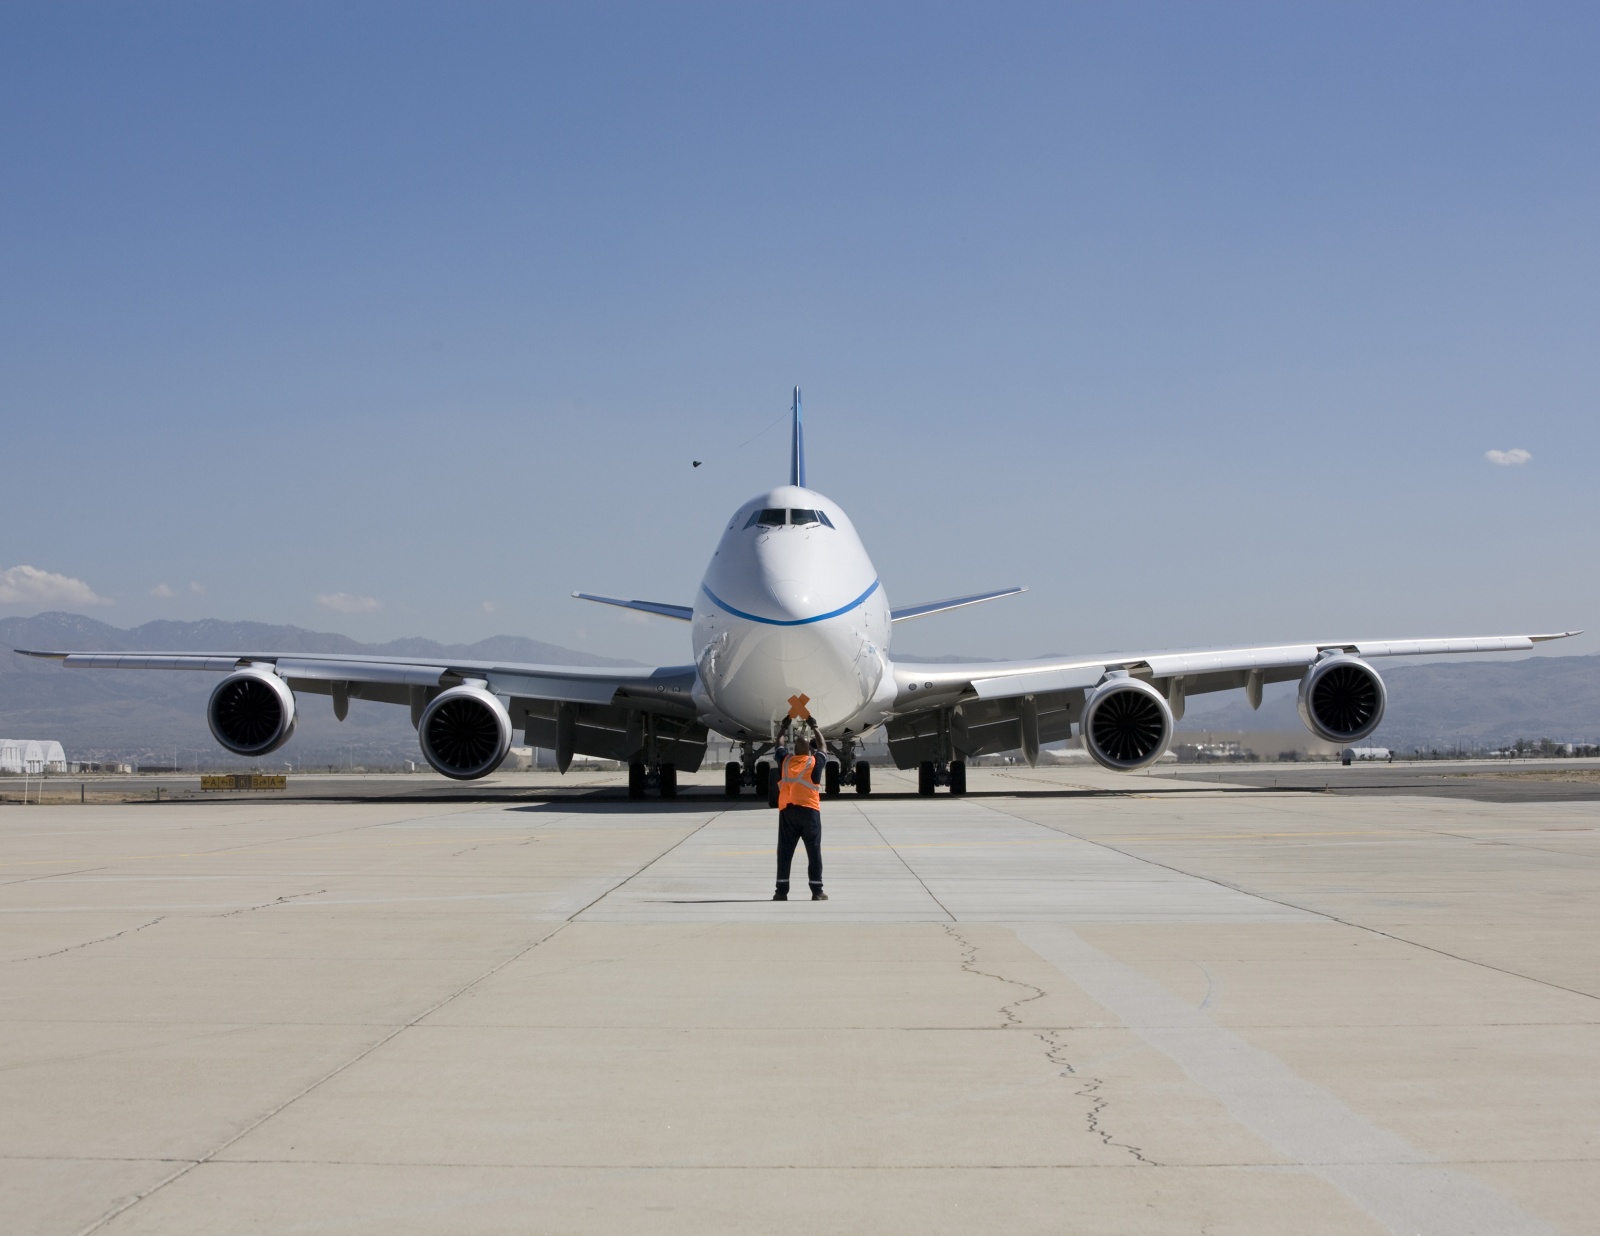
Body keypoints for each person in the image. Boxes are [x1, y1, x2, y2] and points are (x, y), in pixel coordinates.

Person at [773, 733, 827, 901]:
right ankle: (817, 891)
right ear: (809, 750)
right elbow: (823, 747)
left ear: (794, 750)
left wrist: (781, 730)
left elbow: (779, 746)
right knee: (814, 852)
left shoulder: (786, 761)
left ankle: (781, 892)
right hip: (809, 812)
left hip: (788, 812)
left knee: (784, 853)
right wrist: (815, 728)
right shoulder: (813, 762)